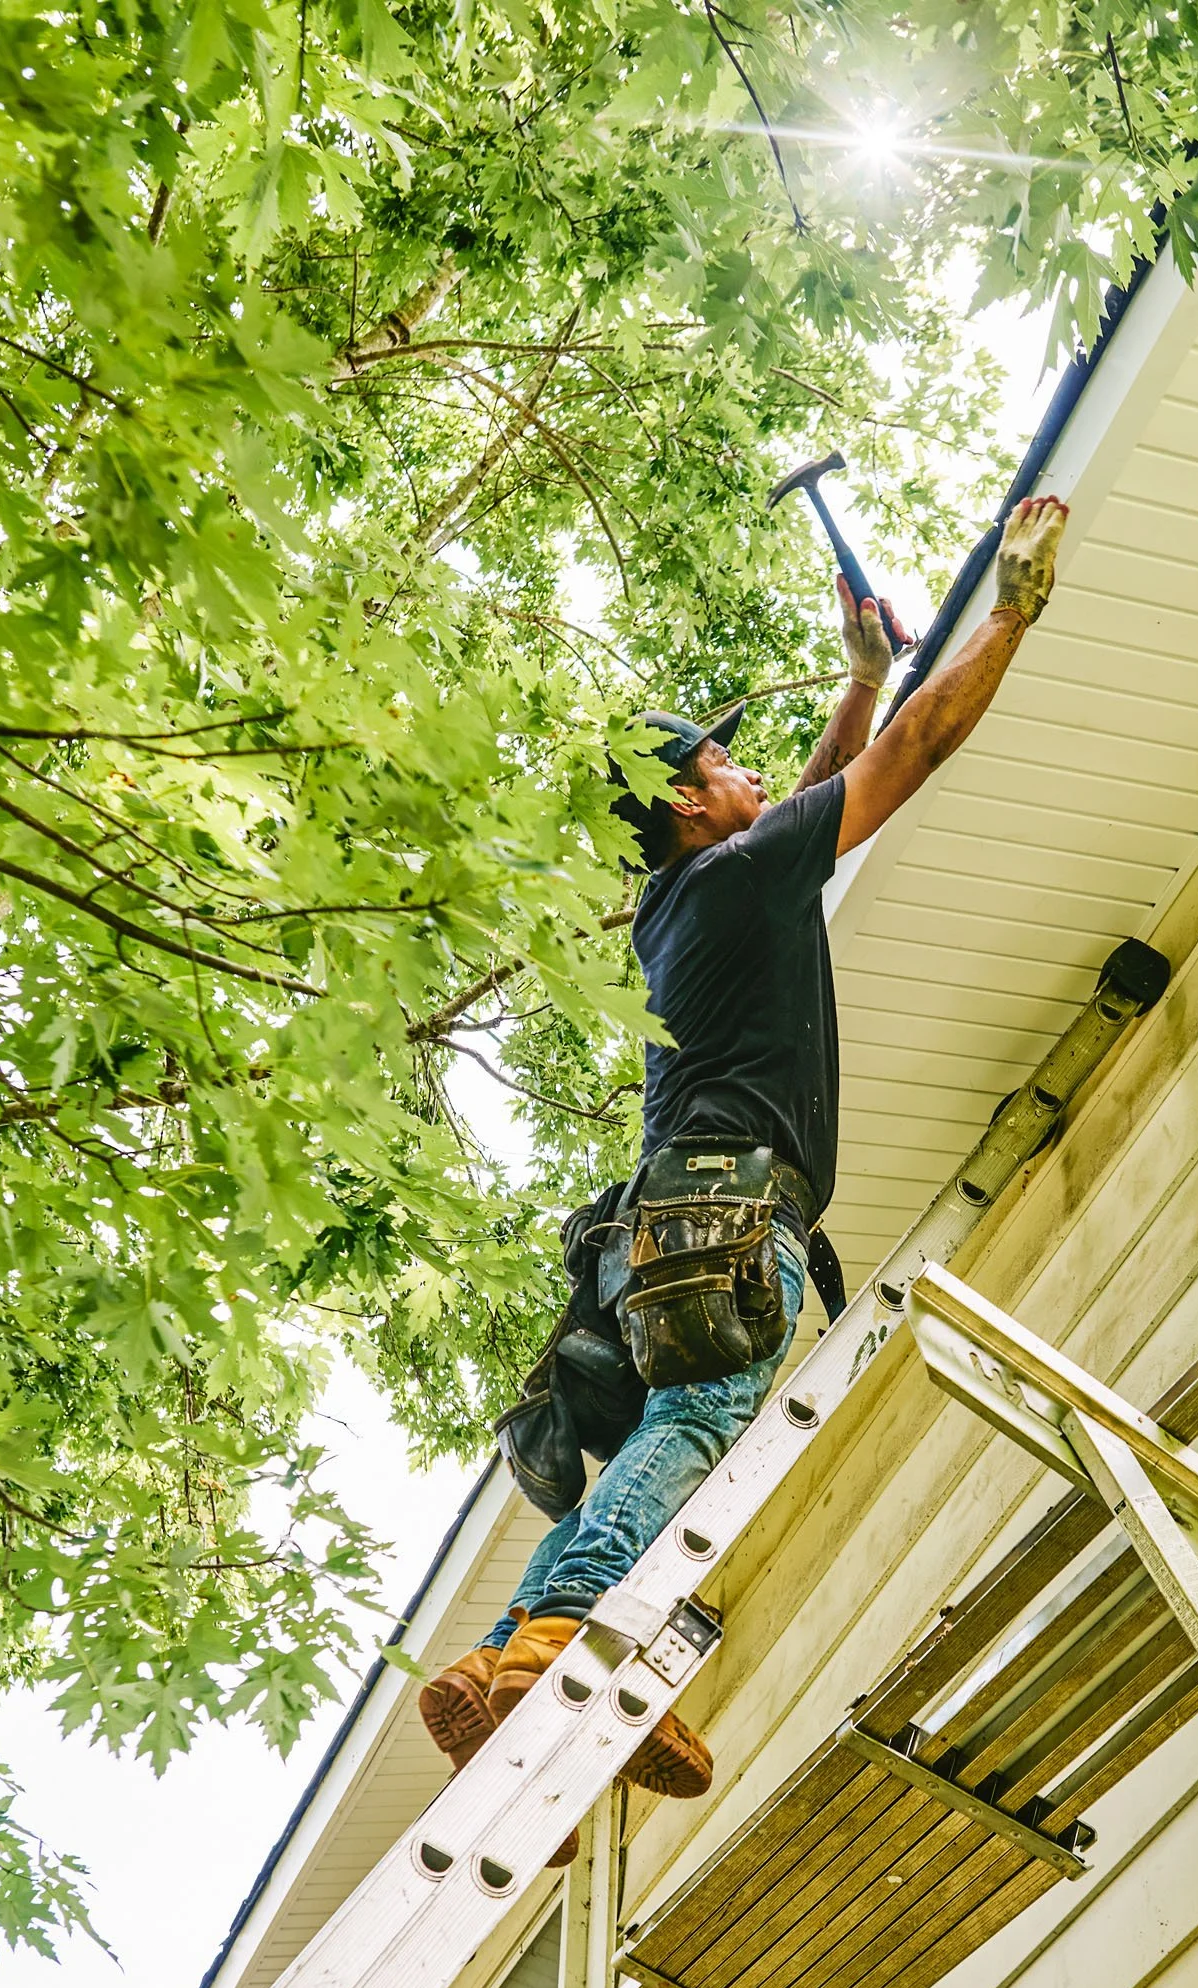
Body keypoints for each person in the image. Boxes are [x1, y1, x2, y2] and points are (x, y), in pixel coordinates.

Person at [417, 494, 1071, 1852]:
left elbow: (820, 796)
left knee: (672, 1431)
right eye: (723, 764)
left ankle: (506, 1655)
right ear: (682, 802)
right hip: (725, 1212)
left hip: (659, 1223)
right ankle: (570, 1623)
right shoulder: (732, 879)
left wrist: (861, 667)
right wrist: (1009, 609)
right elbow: (908, 759)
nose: (750, 775)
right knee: (702, 1421)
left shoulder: (690, 896)